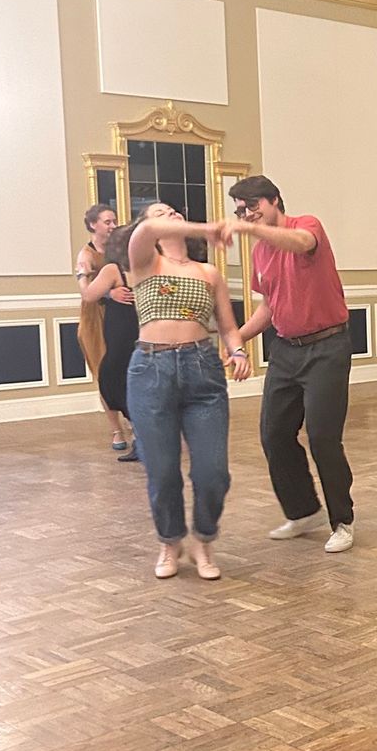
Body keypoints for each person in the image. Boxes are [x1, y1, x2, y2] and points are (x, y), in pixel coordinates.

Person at [228, 177, 355, 555]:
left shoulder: (306, 226)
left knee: (322, 436)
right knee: (274, 433)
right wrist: (237, 338)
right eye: (240, 210)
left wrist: (250, 228)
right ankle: (302, 511)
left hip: (327, 347)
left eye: (253, 206)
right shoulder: (259, 254)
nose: (248, 214)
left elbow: (302, 245)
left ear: (274, 201)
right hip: (285, 350)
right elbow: (269, 305)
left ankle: (342, 521)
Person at [126, 202, 251, 580]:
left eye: (174, 210)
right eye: (159, 212)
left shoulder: (209, 272)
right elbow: (144, 232)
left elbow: (228, 327)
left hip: (202, 370)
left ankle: (203, 539)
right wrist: (207, 228)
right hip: (150, 371)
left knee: (213, 473)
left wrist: (239, 350)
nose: (170, 214)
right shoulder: (144, 262)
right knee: (162, 472)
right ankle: (170, 541)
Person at [78, 219, 142, 462]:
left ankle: (141, 436)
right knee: (122, 378)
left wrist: (82, 275)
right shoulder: (130, 268)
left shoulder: (115, 269)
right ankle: (139, 435)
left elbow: (88, 293)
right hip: (130, 329)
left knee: (116, 378)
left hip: (129, 331)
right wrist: (110, 291)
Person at [74, 202, 130, 453]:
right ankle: (116, 429)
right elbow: (87, 292)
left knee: (126, 369)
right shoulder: (86, 255)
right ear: (92, 225)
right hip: (95, 319)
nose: (112, 225)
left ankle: (134, 421)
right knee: (105, 372)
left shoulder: (118, 250)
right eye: (107, 221)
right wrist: (109, 292)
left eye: (114, 221)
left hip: (120, 318)